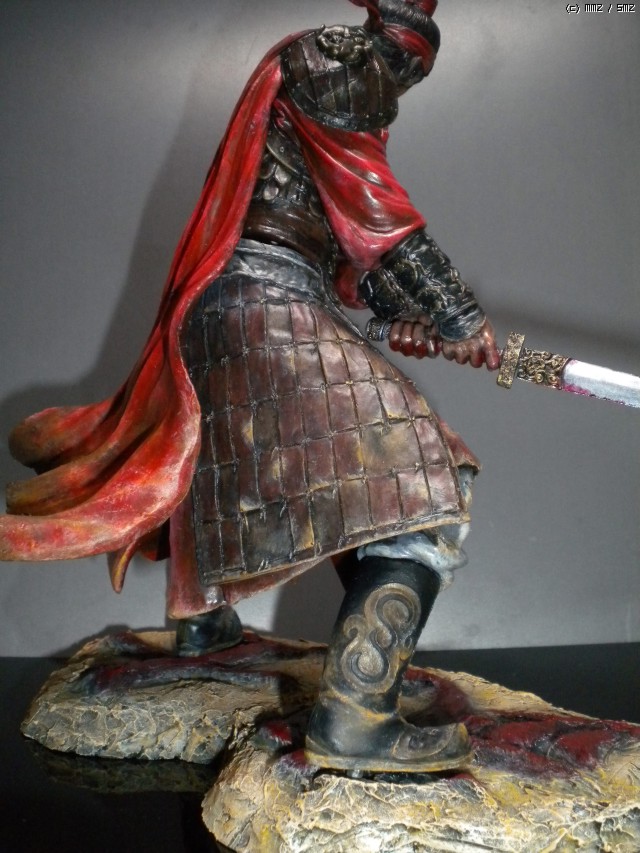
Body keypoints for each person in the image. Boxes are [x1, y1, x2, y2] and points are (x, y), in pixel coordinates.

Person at [0, 0, 499, 773]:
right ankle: (355, 715)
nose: (400, 87)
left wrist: (408, 316)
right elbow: (374, 214)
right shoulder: (339, 58)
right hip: (263, 299)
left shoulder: (323, 75)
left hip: (242, 303)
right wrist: (457, 312)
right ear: (397, 49)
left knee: (262, 465)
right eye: (407, 67)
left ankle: (205, 630)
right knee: (426, 479)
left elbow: (343, 246)